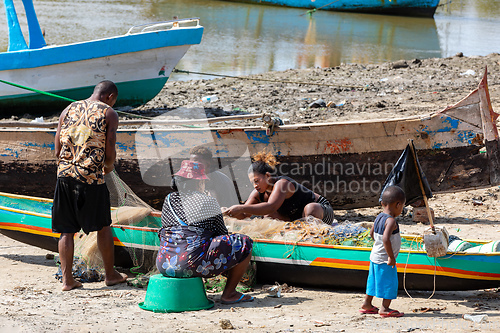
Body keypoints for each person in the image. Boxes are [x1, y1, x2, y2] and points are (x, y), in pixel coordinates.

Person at [52, 80, 127, 291]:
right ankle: (111, 275)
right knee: (103, 226)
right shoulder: (109, 113)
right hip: (91, 178)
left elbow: (57, 148)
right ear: (110, 96)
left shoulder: (68, 109)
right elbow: (110, 150)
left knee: (66, 230)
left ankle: (68, 281)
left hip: (64, 176)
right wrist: (109, 167)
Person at [156, 160, 254, 304]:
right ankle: (229, 294)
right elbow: (222, 234)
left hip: (164, 263)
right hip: (190, 264)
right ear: (198, 183)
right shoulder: (209, 201)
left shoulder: (169, 199)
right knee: (244, 242)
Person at [222, 152, 335, 224]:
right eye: (252, 183)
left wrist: (241, 208)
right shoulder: (257, 193)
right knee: (268, 217)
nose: (255, 185)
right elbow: (244, 214)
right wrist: (227, 212)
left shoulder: (282, 184)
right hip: (296, 219)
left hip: (322, 213)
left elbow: (271, 206)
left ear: (267, 176)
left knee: (311, 208)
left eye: (257, 181)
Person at [360, 185, 405, 317]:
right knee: (389, 283)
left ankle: (366, 304)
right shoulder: (391, 221)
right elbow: (386, 239)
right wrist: (391, 257)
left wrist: (378, 243)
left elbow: (371, 233)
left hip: (374, 256)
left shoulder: (379, 216)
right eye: (402, 206)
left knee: (373, 281)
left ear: (382, 203)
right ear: (398, 204)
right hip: (385, 260)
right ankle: (385, 308)